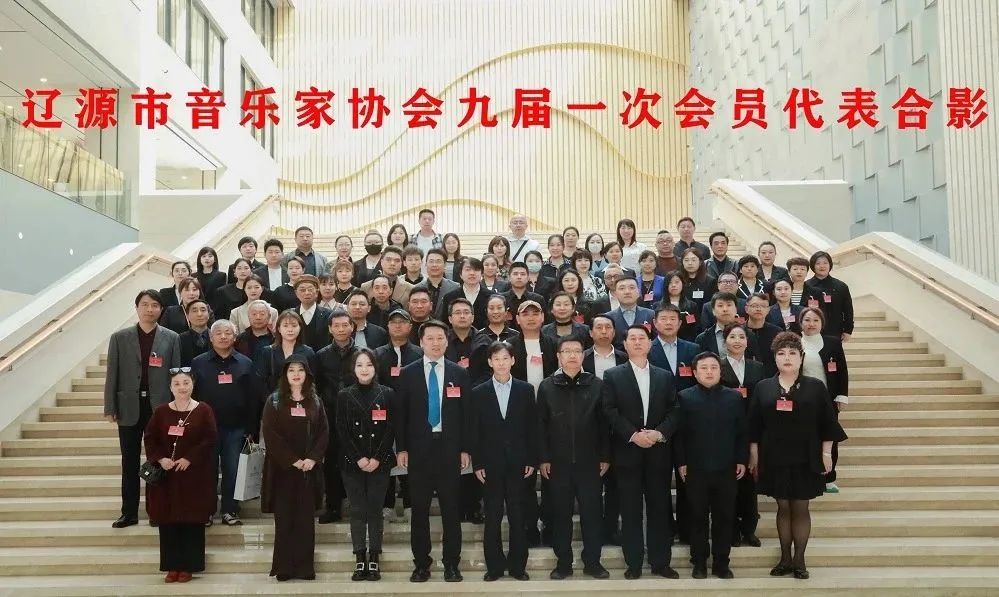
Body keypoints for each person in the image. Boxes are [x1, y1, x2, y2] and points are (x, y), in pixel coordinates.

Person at [748, 332, 848, 579]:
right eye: (781, 353)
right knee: (783, 507)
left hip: (807, 455)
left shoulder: (815, 386)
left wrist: (826, 453)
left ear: (801, 357)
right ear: (775, 358)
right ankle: (784, 558)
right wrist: (754, 455)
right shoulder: (763, 387)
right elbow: (754, 426)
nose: (787, 358)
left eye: (793, 353)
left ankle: (800, 560)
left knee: (801, 507)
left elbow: (828, 423)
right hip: (774, 456)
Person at [395, 320, 471, 583]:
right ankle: (421, 564)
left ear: (447, 341)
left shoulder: (459, 373)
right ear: (421, 342)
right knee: (419, 511)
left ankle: (451, 564)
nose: (436, 343)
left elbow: (466, 414)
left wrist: (465, 448)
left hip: (450, 449)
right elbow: (401, 415)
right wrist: (402, 448)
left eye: (440, 338)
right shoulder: (408, 373)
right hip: (419, 451)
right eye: (430, 338)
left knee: (451, 510)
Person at [601, 325, 679, 579]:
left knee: (660, 509)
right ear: (624, 344)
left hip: (658, 452)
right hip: (627, 452)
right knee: (630, 510)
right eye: (632, 338)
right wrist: (633, 435)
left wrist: (658, 434)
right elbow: (609, 410)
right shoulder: (613, 375)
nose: (637, 342)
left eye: (641, 338)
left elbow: (675, 410)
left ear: (650, 344)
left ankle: (660, 562)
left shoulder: (664, 376)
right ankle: (633, 563)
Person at [104, 290, 181, 529]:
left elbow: (176, 375)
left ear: (161, 309)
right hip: (128, 406)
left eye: (155, 305)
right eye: (145, 305)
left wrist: (177, 408)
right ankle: (128, 512)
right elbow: (112, 374)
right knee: (129, 461)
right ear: (137, 308)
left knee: (158, 459)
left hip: (159, 408)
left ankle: (157, 511)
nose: (150, 309)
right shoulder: (119, 338)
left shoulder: (171, 338)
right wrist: (110, 406)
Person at [537, 336, 610, 580]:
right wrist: (543, 458)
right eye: (566, 351)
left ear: (583, 356)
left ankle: (593, 562)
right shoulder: (547, 386)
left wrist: (605, 456)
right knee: (560, 516)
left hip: (590, 463)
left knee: (592, 515)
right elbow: (541, 425)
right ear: (558, 356)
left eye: (577, 351)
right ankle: (563, 563)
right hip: (558, 464)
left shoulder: (596, 385)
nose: (572, 355)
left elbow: (604, 425)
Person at [675, 352, 748, 579]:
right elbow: (679, 434)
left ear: (720, 371)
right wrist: (681, 462)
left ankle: (721, 563)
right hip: (695, 469)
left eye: (714, 367)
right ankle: (699, 562)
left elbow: (741, 432)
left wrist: (741, 459)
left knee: (724, 517)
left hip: (726, 468)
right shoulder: (684, 397)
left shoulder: (734, 397)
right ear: (695, 373)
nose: (709, 371)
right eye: (704, 368)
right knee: (697, 517)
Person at [470, 341, 538, 582]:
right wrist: (478, 463)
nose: (501, 363)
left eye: (505, 358)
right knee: (493, 516)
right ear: (490, 362)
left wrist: (532, 458)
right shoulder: (478, 392)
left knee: (519, 516)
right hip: (490, 464)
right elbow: (475, 431)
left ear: (513, 360)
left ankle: (518, 566)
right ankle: (495, 567)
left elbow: (532, 427)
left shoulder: (525, 390)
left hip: (519, 462)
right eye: (496, 359)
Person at [144, 367, 217, 583]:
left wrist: (189, 458)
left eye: (185, 383)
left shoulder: (203, 410)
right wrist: (161, 459)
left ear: (192, 385)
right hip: (168, 478)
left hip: (194, 476)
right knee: (168, 521)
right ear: (170, 387)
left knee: (191, 521)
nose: (181, 387)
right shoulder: (161, 412)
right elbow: (150, 438)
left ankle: (189, 566)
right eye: (176, 384)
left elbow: (210, 438)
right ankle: (172, 566)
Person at [261, 355, 329, 581]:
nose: (296, 374)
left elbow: (323, 432)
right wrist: (292, 460)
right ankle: (284, 567)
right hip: (282, 470)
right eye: (291, 370)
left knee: (305, 521)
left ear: (307, 374)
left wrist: (313, 458)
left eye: (300, 370)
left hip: (308, 470)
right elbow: (270, 434)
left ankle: (305, 568)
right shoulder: (274, 401)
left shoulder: (315, 401)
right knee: (284, 520)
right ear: (285, 375)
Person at [336, 349, 396, 582]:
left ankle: (374, 556)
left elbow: (390, 429)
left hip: (380, 462)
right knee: (358, 510)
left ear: (375, 368)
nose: (364, 369)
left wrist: (377, 457)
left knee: (375, 510)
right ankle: (360, 556)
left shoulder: (386, 393)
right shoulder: (344, 395)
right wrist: (358, 458)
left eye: (369, 365)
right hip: (352, 463)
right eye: (359, 365)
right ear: (353, 369)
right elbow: (342, 430)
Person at [191, 320, 257, 526]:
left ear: (234, 337)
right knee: (207, 471)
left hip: (236, 428)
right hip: (206, 429)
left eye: (228, 333)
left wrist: (251, 428)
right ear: (211, 338)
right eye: (218, 333)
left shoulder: (245, 363)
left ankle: (230, 510)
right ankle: (207, 511)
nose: (223, 336)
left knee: (233, 470)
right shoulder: (198, 362)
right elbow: (192, 395)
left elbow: (253, 398)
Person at [718, 323, 766, 546]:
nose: (737, 341)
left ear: (747, 341)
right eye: (732, 337)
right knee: (729, 484)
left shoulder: (758, 367)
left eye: (741, 337)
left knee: (749, 484)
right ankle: (732, 530)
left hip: (751, 429)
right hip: (726, 432)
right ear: (725, 341)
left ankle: (749, 529)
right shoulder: (717, 366)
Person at [799, 307, 850, 493]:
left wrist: (842, 395)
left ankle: (829, 477)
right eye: (807, 320)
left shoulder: (832, 342)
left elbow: (842, 370)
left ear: (822, 323)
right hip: (802, 400)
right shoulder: (795, 342)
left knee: (829, 437)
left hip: (828, 399)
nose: (811, 324)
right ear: (800, 322)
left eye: (815, 320)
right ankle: (807, 475)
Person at [315, 309, 358, 525]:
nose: (341, 329)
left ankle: (358, 506)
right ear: (330, 329)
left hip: (356, 415)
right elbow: (317, 385)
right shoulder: (321, 355)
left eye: (345, 325)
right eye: (337, 326)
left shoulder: (362, 354)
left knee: (355, 460)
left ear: (352, 327)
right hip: (329, 415)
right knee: (331, 462)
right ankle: (333, 507)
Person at [254, 310, 317, 393]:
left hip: (301, 397)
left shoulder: (308, 352)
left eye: (294, 326)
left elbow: (312, 380)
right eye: (285, 326)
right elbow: (261, 382)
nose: (290, 329)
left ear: (300, 328)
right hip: (274, 398)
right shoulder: (267, 352)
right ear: (279, 329)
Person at [804, 250, 855, 341]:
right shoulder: (806, 286)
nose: (822, 266)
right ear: (813, 266)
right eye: (818, 263)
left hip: (835, 331)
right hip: (811, 332)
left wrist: (848, 330)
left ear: (830, 265)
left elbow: (848, 310)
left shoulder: (841, 286)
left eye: (825, 263)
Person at [470, 295, 521, 383]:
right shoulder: (478, 336)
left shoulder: (516, 335)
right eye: (491, 308)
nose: (495, 311)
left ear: (506, 311)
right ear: (486, 311)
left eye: (499, 308)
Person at [696, 292, 759, 359]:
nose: (725, 309)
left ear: (736, 309)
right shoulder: (703, 338)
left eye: (729, 305)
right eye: (720, 306)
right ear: (713, 311)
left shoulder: (749, 335)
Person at [437, 257, 493, 329]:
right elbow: (445, 324)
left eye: (476, 269)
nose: (472, 273)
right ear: (460, 274)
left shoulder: (491, 297)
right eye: (468, 269)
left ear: (482, 274)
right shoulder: (449, 297)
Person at [603, 277, 654, 349]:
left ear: (638, 292)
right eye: (622, 288)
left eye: (631, 288)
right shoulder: (607, 318)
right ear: (615, 293)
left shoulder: (650, 314)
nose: (627, 292)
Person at [293, 275, 334, 352]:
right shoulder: (292, 315)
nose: (307, 293)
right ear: (296, 293)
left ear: (317, 292)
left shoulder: (329, 315)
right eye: (302, 290)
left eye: (310, 289)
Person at [745, 293, 783, 376]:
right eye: (755, 306)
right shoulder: (739, 331)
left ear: (768, 310)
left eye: (763, 306)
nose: (759, 309)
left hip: (771, 377)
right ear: (746, 309)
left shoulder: (777, 332)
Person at [413, 247, 460, 313]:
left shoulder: (455, 287)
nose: (434, 265)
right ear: (426, 264)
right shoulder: (417, 288)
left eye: (438, 261)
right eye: (431, 261)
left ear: (445, 265)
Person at [660, 272, 701, 342]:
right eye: (670, 282)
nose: (673, 285)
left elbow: (696, 328)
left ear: (682, 284)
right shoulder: (658, 306)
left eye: (677, 282)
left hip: (687, 343)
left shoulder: (692, 306)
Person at [679, 248, 717, 314]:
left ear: (700, 262)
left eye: (693, 260)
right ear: (682, 263)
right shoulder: (679, 280)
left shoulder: (710, 281)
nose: (690, 263)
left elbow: (711, 305)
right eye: (686, 260)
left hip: (703, 316)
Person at [178, 300, 212, 366]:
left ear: (208, 314)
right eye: (194, 311)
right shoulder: (180, 339)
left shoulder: (216, 337)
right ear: (187, 316)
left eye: (203, 310)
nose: (199, 314)